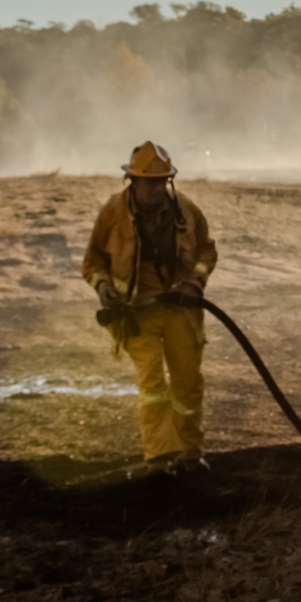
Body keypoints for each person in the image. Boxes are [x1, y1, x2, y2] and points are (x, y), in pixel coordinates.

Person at [82, 141, 218, 473]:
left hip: (180, 310)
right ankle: (159, 456)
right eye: (149, 182)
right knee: (152, 383)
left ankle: (189, 452)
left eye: (161, 181)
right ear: (133, 181)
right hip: (136, 313)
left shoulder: (185, 210)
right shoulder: (113, 212)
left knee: (187, 382)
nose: (155, 188)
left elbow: (206, 251)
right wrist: (101, 286)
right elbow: (93, 259)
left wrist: (193, 284)